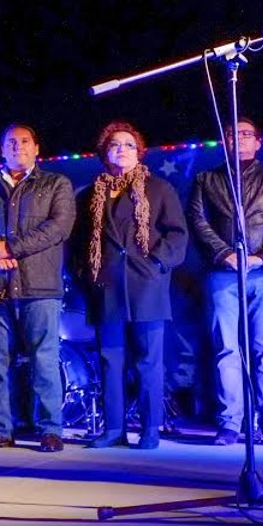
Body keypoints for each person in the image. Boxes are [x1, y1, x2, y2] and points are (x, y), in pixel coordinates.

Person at [0, 123, 76, 452]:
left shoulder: (56, 184)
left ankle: (50, 429)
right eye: (11, 142)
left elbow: (59, 227)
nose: (18, 146)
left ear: (36, 148)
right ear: (2, 150)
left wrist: (10, 248)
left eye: (25, 141)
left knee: (44, 359)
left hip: (39, 286)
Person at [188, 117, 263, 447]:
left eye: (246, 134)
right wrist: (224, 253)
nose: (239, 139)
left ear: (258, 142)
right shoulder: (206, 179)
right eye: (232, 134)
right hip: (223, 274)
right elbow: (197, 220)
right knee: (226, 348)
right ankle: (229, 422)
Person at [76, 121, 188, 450]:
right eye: (114, 145)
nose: (121, 149)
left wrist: (156, 264)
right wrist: (87, 275)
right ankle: (114, 429)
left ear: (139, 152)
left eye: (128, 145)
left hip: (146, 286)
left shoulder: (159, 188)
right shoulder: (90, 195)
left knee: (148, 361)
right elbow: (79, 242)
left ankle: (150, 428)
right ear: (104, 154)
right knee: (110, 360)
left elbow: (177, 234)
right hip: (106, 288)